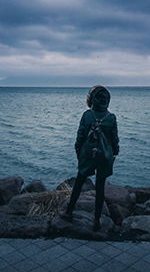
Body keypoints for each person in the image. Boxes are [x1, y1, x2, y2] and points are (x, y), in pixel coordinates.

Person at [60, 85, 120, 231]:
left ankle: (68, 212)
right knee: (100, 187)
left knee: (79, 182)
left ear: (91, 99)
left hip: (88, 154)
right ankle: (97, 220)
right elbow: (115, 140)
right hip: (104, 156)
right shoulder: (111, 117)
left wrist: (78, 152)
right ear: (107, 100)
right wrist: (114, 153)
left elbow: (80, 137)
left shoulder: (87, 115)